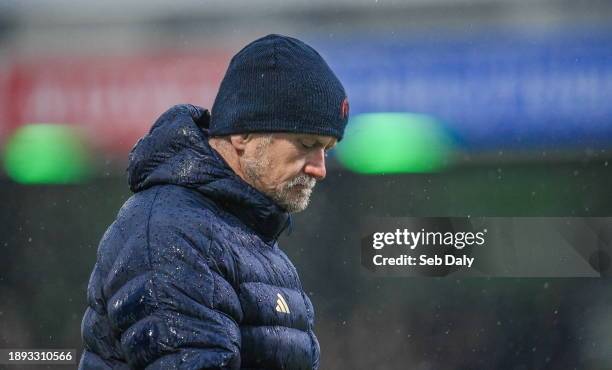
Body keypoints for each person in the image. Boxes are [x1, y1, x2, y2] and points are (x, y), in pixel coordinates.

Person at [79, 34, 349, 369]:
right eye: (306, 143)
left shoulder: (247, 238)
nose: (319, 168)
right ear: (242, 135)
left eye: (327, 149)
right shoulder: (173, 233)